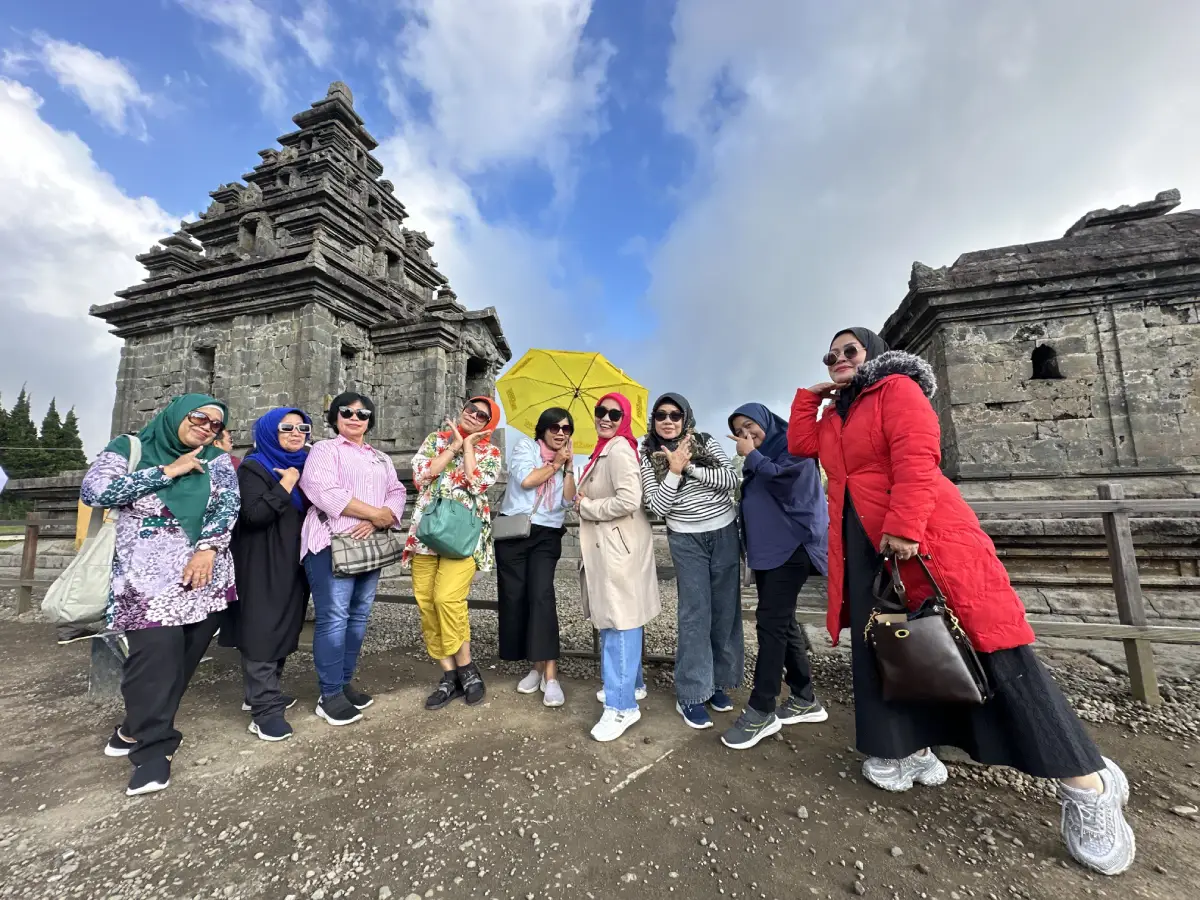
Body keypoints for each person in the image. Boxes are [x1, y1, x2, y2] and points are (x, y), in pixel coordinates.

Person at [788, 327, 1136, 877]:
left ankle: (1088, 784)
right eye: (829, 355)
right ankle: (915, 746)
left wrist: (903, 525)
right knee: (896, 648)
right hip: (863, 545)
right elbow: (802, 445)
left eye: (848, 351)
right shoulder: (836, 416)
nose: (836, 360)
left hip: (921, 538)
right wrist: (813, 397)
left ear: (874, 356)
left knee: (981, 647)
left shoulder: (896, 390)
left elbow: (919, 457)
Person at [80, 394, 239, 796]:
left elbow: (226, 506)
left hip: (205, 578)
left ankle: (134, 728)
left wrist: (207, 549)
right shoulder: (129, 448)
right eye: (199, 417)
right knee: (153, 660)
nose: (206, 427)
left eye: (215, 425)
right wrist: (168, 471)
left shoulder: (216, 460)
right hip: (146, 582)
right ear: (175, 414)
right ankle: (154, 749)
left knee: (183, 659)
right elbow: (96, 491)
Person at [722, 403, 829, 750]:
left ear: (767, 422)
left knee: (769, 623)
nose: (745, 434)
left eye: (750, 425)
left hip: (791, 550)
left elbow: (788, 485)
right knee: (782, 623)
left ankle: (762, 708)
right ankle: (804, 697)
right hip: (769, 555)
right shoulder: (761, 457)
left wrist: (751, 455)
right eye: (739, 431)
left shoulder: (793, 448)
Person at [299, 392, 407, 727]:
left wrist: (381, 518)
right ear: (335, 416)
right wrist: (376, 514)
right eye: (346, 412)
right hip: (332, 542)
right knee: (334, 618)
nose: (355, 417)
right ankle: (328, 694)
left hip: (368, 544)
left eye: (363, 414)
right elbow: (322, 490)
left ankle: (344, 683)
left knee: (358, 617)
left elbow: (398, 492)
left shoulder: (380, 457)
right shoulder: (324, 450)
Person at [638, 393, 741, 731]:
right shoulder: (648, 456)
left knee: (725, 611)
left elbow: (732, 480)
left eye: (675, 415)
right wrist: (672, 471)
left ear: (686, 419)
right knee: (696, 613)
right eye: (661, 415)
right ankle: (692, 693)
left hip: (724, 534)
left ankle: (717, 684)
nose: (668, 421)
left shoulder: (705, 442)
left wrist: (690, 468)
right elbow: (657, 506)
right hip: (686, 539)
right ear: (654, 420)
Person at [403, 397, 503, 710]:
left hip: (463, 535)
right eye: (470, 409)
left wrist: (469, 447)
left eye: (482, 414)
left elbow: (477, 484)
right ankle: (450, 675)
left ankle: (466, 668)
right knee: (427, 603)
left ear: (489, 422)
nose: (474, 415)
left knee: (447, 599)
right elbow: (421, 477)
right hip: (428, 532)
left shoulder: (491, 452)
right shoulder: (436, 440)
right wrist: (453, 447)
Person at [221, 408, 312, 741]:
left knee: (286, 624)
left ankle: (260, 692)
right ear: (271, 431)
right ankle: (264, 710)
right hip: (261, 559)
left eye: (302, 427)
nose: (295, 432)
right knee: (262, 625)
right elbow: (254, 515)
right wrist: (286, 484)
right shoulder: (255, 467)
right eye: (286, 427)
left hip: (294, 559)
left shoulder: (307, 465)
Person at [576, 393, 660, 742]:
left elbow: (629, 500)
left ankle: (622, 706)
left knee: (619, 625)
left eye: (614, 413)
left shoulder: (620, 451)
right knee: (620, 619)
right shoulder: (605, 450)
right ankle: (633, 685)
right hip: (615, 549)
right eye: (601, 412)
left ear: (623, 418)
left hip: (615, 551)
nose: (606, 418)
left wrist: (588, 507)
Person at [495, 408, 576, 707]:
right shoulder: (525, 448)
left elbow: (568, 499)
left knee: (542, 595)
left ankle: (551, 674)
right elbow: (527, 480)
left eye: (566, 429)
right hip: (514, 531)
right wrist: (555, 463)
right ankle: (535, 666)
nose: (560, 432)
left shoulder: (566, 460)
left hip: (547, 533)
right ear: (542, 429)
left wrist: (567, 468)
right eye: (554, 427)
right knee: (516, 598)